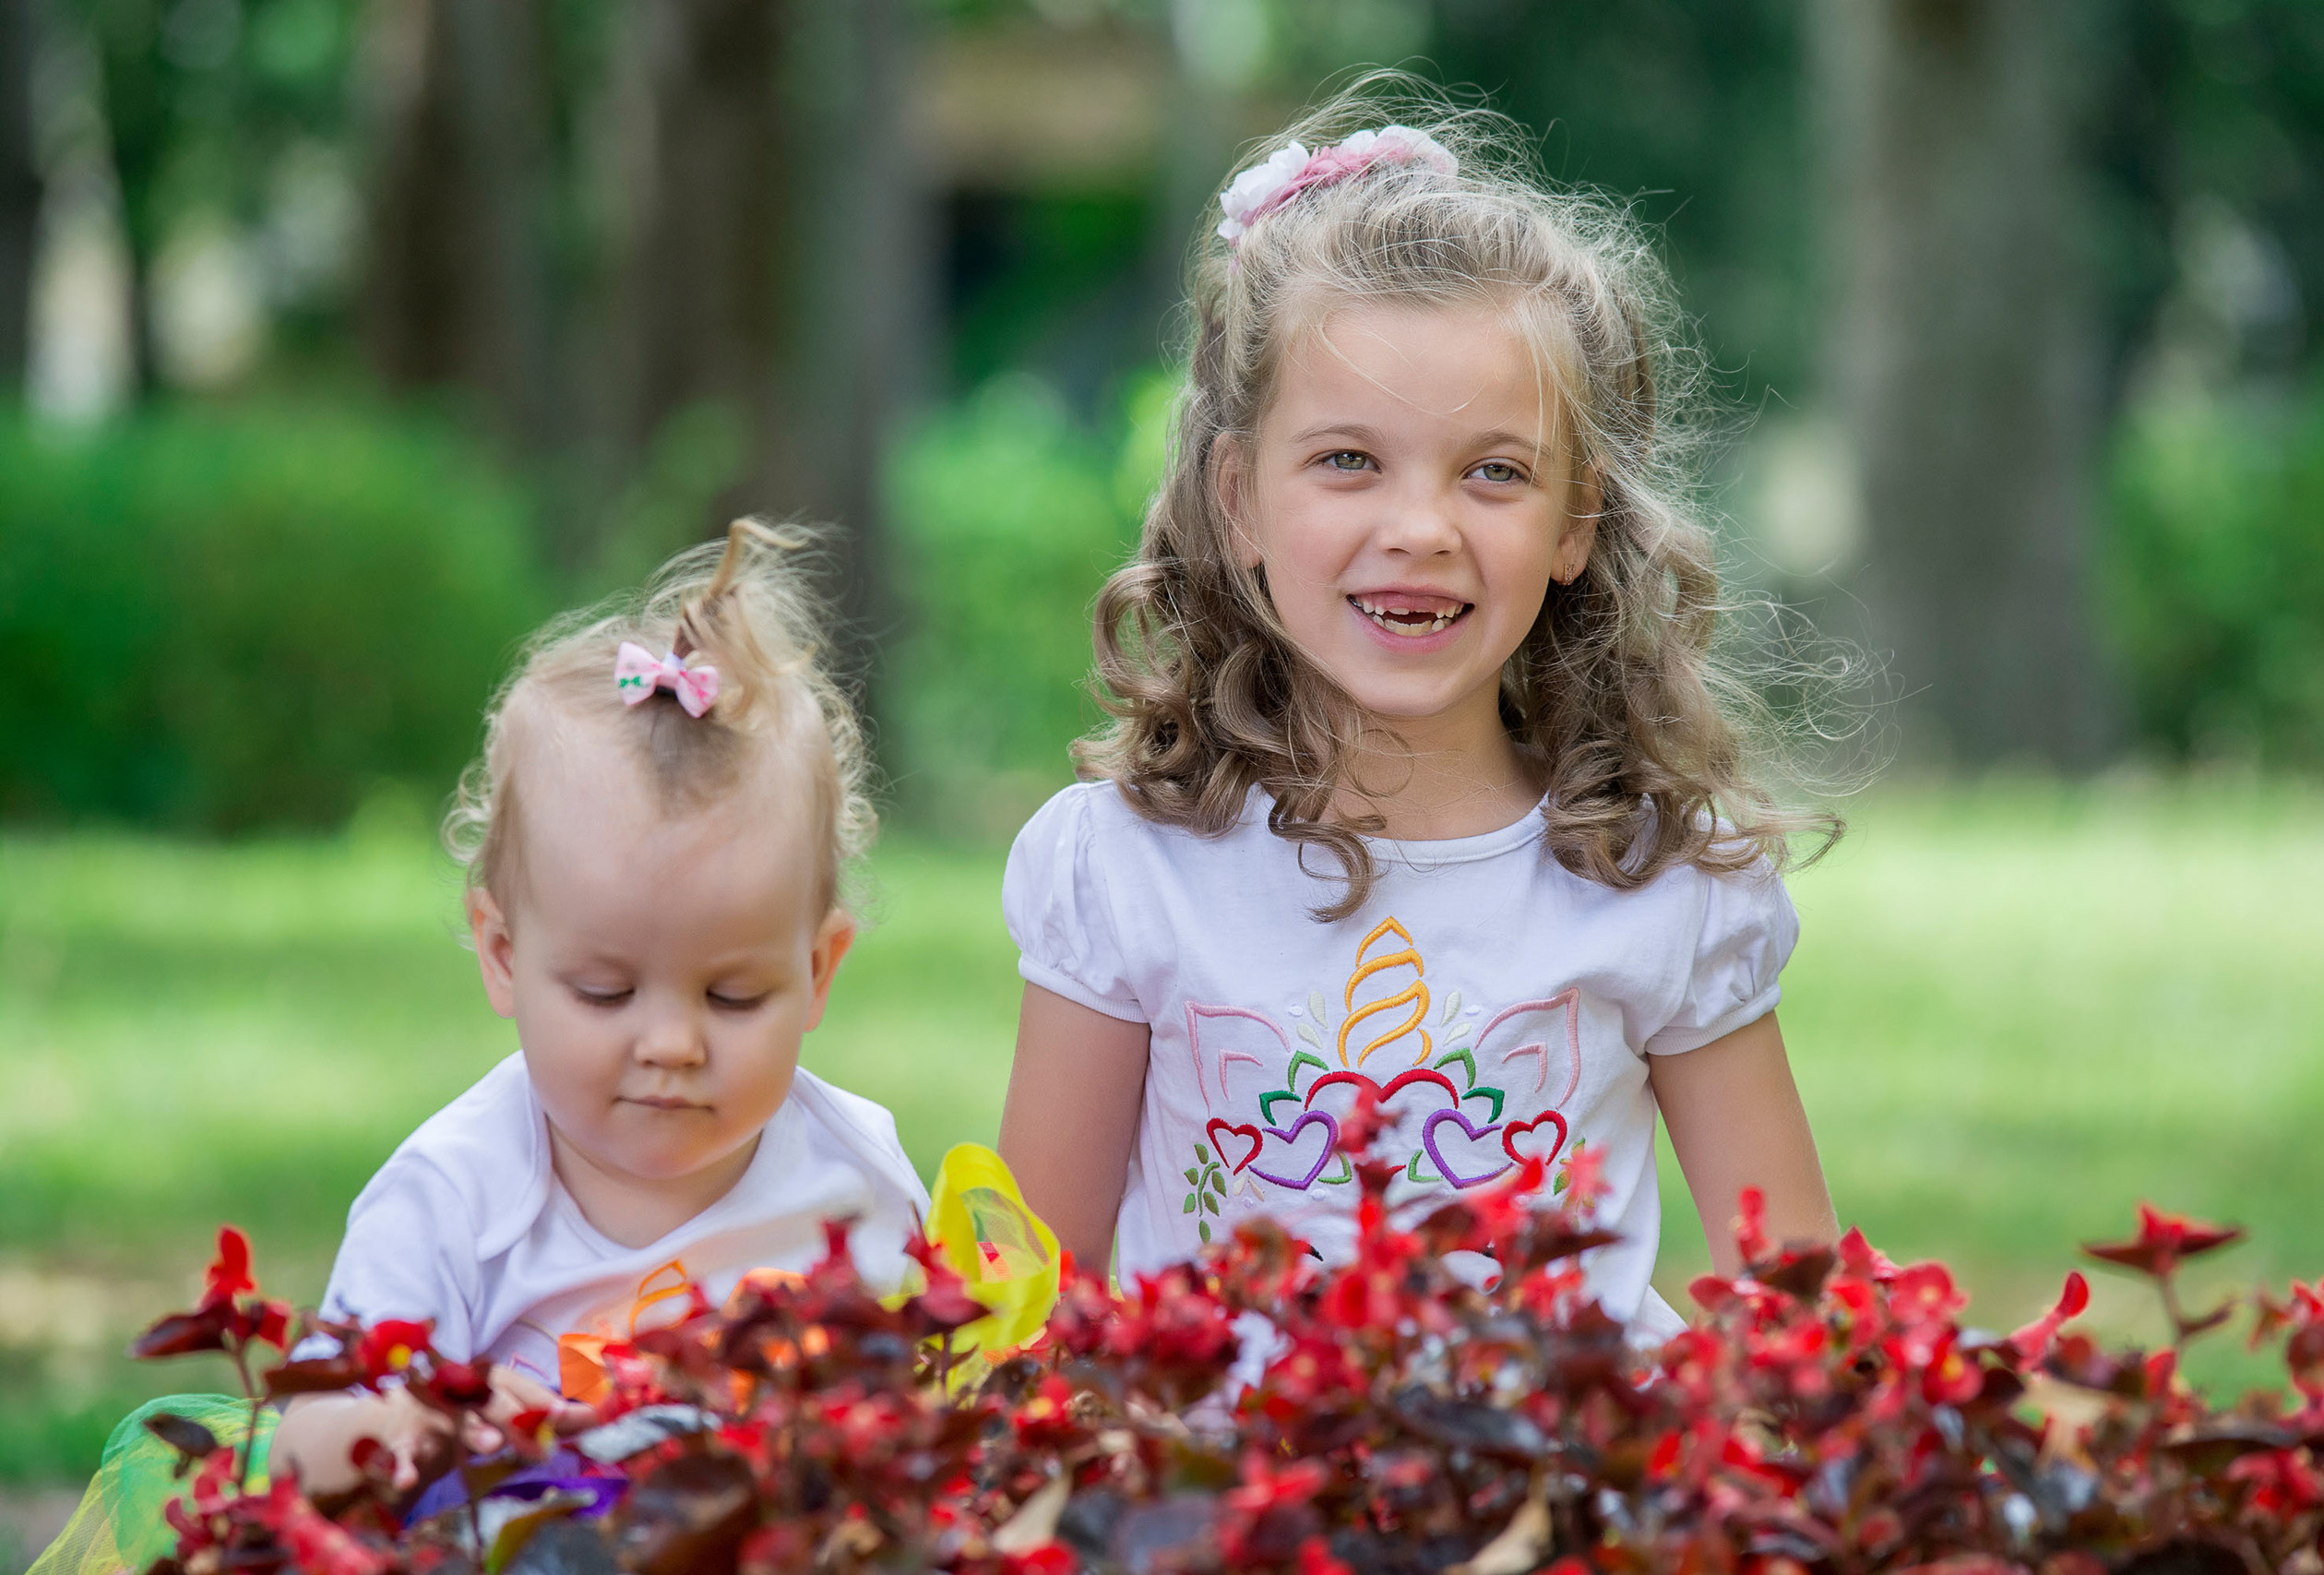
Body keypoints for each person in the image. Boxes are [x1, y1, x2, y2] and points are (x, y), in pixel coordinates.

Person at [995, 92, 1840, 1341]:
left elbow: (1802, 1315)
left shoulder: (1660, 883)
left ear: (1575, 525)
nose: (1421, 529)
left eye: (1495, 471)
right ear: (1238, 500)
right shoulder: (1127, 870)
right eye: (1348, 461)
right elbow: (1025, 1312)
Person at [269, 519, 928, 1491]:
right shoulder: (455, 1198)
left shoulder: (856, 1184)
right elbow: (297, 1453)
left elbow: (931, 1433)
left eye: (735, 995)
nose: (670, 1042)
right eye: (605, 991)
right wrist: (417, 1420)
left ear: (820, 971)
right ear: (502, 954)